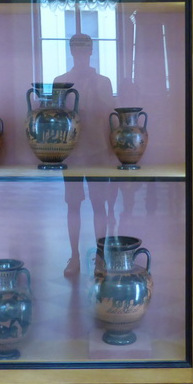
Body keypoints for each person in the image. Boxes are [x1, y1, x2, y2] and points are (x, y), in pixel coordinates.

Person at [54, 33, 117, 277]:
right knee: (73, 205)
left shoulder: (103, 81)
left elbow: (109, 114)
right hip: (72, 152)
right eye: (77, 50)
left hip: (98, 150)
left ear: (91, 52)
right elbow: (58, 115)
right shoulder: (62, 80)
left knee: (99, 205)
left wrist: (92, 87)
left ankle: (100, 256)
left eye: (85, 50)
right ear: (72, 52)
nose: (81, 54)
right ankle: (75, 256)